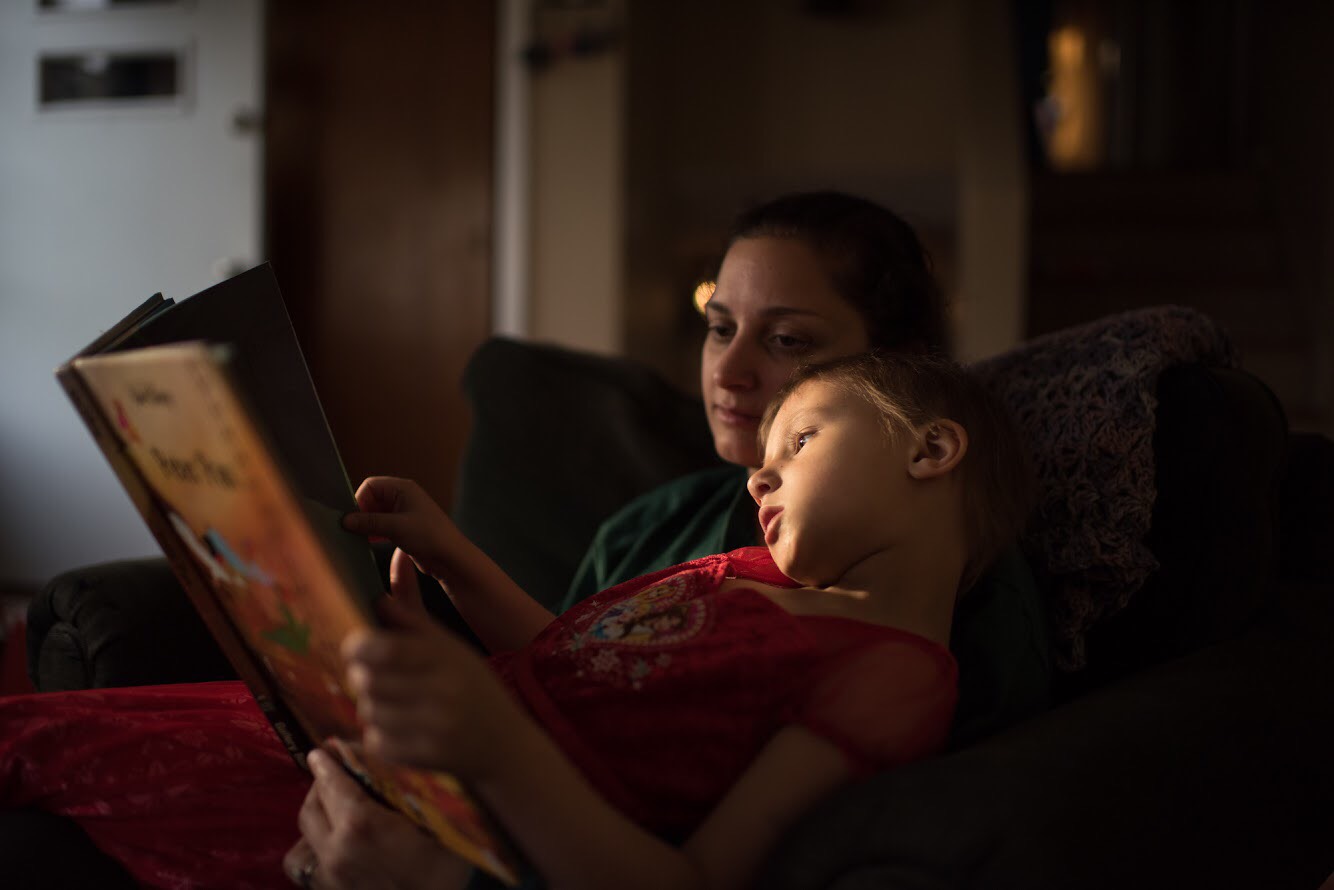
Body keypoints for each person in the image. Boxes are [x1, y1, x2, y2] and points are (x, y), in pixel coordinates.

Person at [0, 351, 1031, 890]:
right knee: (47, 736)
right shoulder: (751, 567)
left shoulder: (895, 673)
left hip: (429, 814)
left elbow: (693, 881)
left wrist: (489, 739)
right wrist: (448, 552)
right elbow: (569, 655)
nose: (758, 468)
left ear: (928, 450)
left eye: (799, 435)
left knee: (66, 774)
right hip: (390, 742)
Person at [560, 191, 1049, 747]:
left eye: (786, 340)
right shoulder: (643, 531)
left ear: (893, 363)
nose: (728, 372)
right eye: (721, 329)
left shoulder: (973, 603)